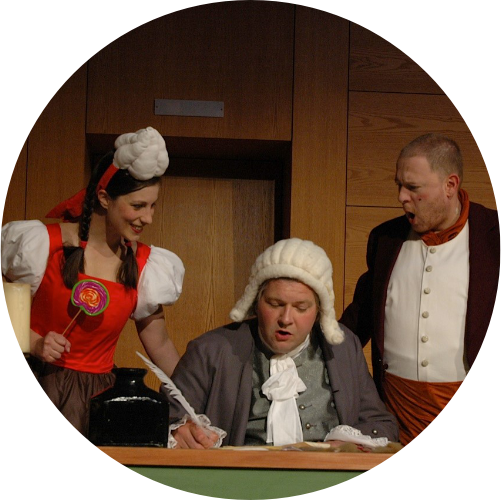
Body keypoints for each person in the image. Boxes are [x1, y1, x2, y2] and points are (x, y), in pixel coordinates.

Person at [0, 127, 185, 436]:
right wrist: (36, 342)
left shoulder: (144, 266)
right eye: (138, 206)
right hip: (42, 378)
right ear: (104, 198)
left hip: (98, 398)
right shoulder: (43, 246)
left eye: (152, 206)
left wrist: (195, 397)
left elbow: (161, 344)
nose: (148, 218)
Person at [340, 133, 500, 446]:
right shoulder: (386, 238)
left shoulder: (493, 237)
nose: (402, 197)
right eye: (399, 185)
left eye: (413, 187)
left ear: (450, 185)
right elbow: (361, 316)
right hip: (396, 415)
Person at [164, 238, 399, 449]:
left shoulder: (343, 349)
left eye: (301, 307)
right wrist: (178, 432)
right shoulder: (211, 350)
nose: (286, 319)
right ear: (256, 302)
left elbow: (381, 424)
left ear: (319, 310)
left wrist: (350, 443)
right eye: (275, 304)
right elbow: (166, 419)